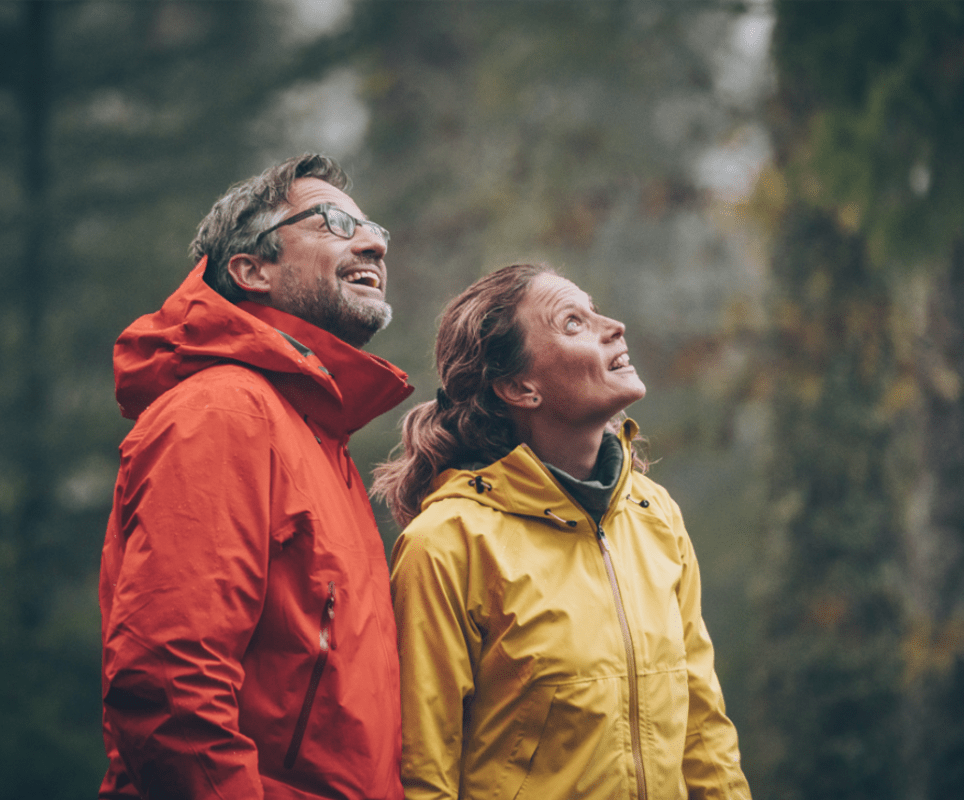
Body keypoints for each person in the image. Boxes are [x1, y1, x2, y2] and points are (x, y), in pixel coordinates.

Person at [98, 153, 411, 800]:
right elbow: (170, 682)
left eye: (374, 228)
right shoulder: (222, 413)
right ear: (251, 269)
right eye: (332, 222)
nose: (375, 242)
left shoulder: (320, 440)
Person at [374, 264, 751, 800]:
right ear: (518, 386)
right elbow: (423, 773)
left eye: (596, 311)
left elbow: (704, 729)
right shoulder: (447, 543)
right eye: (573, 323)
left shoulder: (656, 514)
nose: (614, 326)